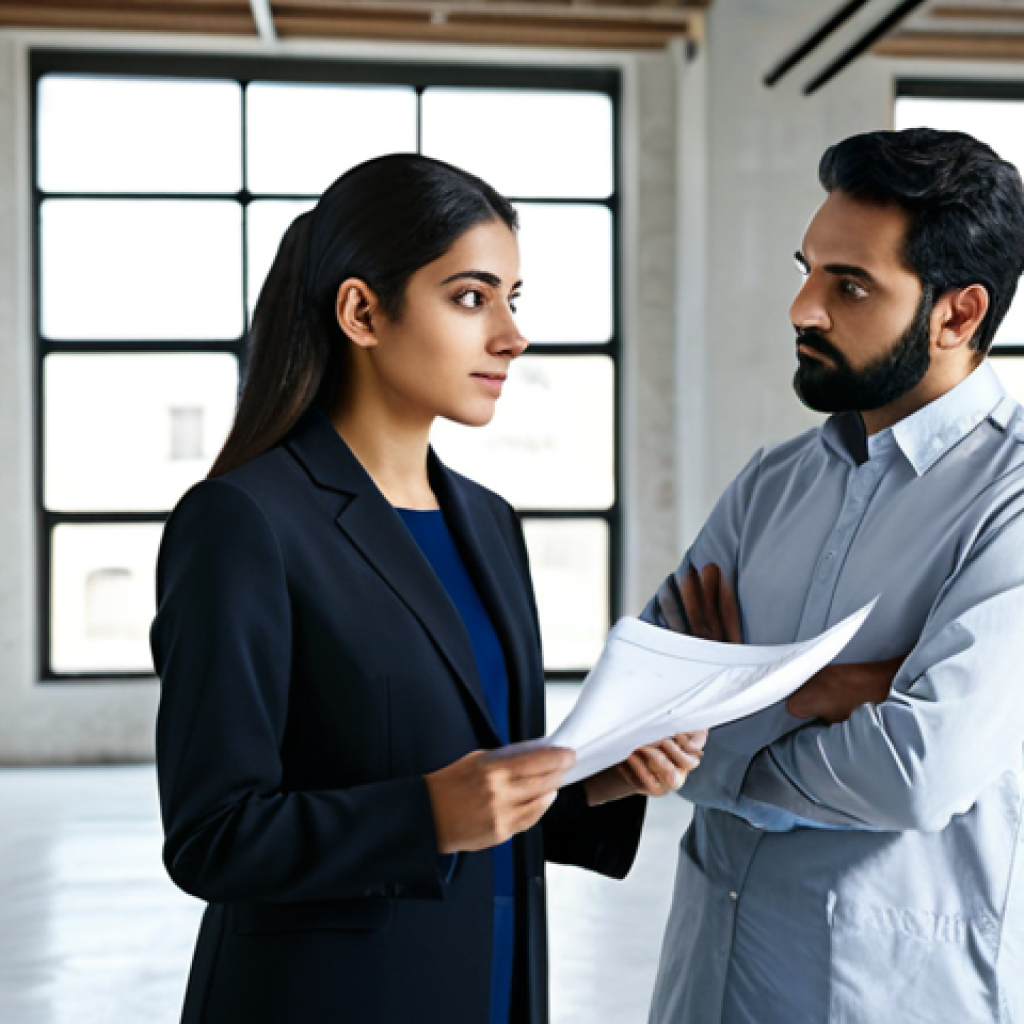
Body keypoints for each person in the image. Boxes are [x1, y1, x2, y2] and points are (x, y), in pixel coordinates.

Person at [151, 153, 703, 1024]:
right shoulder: (244, 522)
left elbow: (485, 789)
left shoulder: (488, 522)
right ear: (362, 312)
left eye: (513, 300)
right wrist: (424, 815)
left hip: (492, 984)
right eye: (472, 297)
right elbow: (212, 836)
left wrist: (599, 782)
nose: (512, 336)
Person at [644, 128, 1024, 1024]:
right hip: (706, 981)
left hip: (882, 993)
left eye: (848, 285)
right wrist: (830, 695)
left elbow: (917, 774)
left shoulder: (1012, 501)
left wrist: (726, 715)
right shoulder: (770, 484)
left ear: (958, 315)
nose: (802, 308)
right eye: (807, 269)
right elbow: (645, 713)